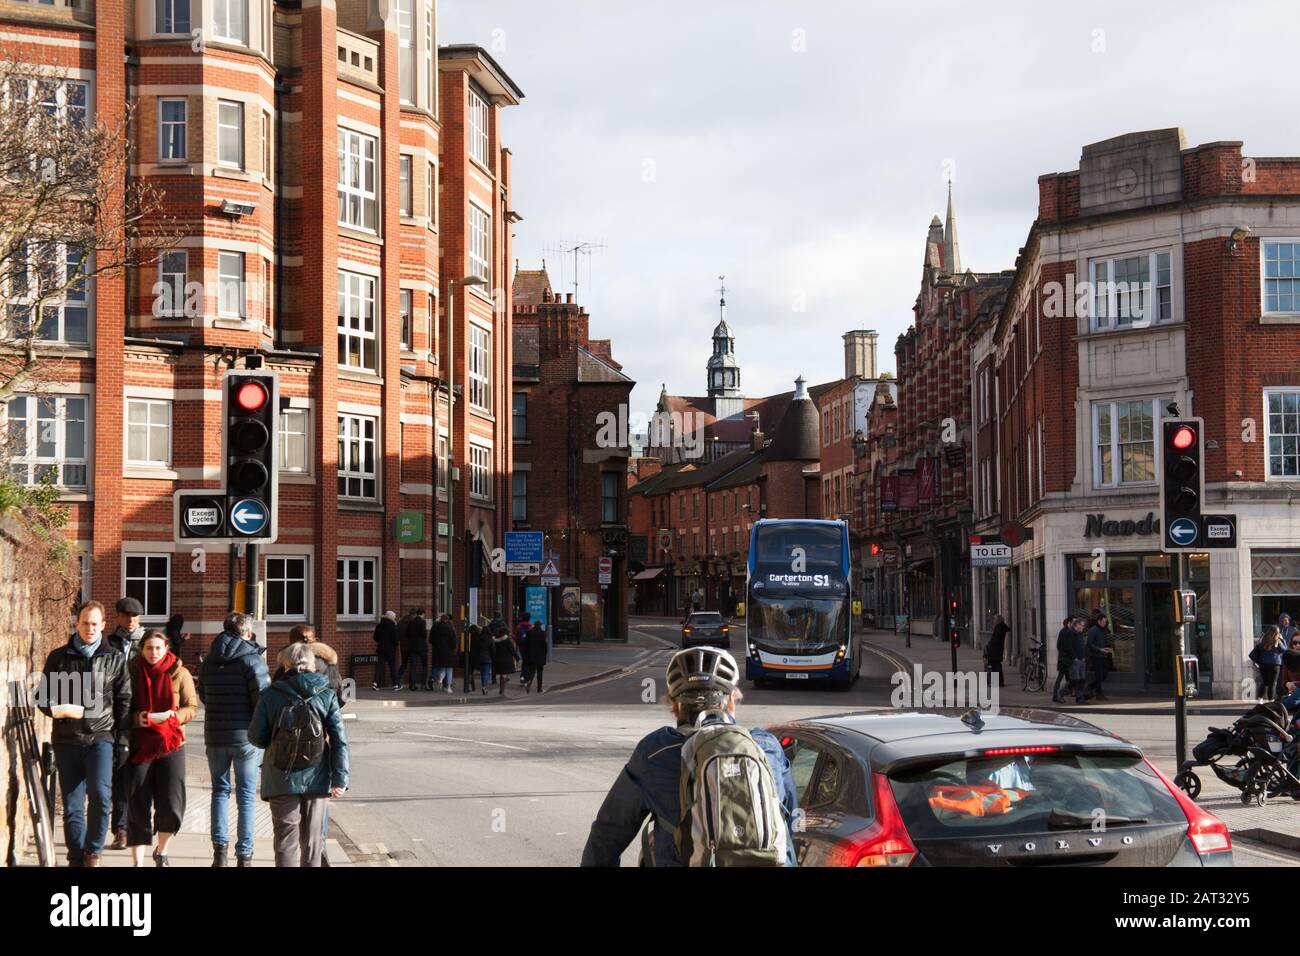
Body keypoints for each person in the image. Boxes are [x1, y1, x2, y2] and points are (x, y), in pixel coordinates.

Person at [580, 647, 797, 867]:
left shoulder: (656, 751)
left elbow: (607, 835)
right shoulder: (766, 746)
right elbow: (789, 823)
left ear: (675, 707)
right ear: (731, 700)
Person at [39, 601, 132, 867]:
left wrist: (123, 741)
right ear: (76, 624)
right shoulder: (59, 657)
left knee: (102, 797)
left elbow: (124, 701)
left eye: (94, 624)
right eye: (85, 623)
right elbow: (43, 698)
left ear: (103, 626)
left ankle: (93, 853)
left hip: (101, 738)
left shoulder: (114, 658)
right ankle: (76, 858)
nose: (89, 628)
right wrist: (59, 709)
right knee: (72, 805)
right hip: (67, 739)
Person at [248, 643, 349, 867]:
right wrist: (340, 778)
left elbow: (255, 737)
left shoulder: (270, 695)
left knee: (285, 841)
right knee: (312, 843)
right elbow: (340, 740)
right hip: (318, 777)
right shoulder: (327, 694)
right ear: (312, 665)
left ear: (286, 664)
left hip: (280, 777)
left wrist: (276, 741)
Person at [198, 611, 270, 867]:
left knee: (219, 792)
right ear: (248, 633)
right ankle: (245, 855)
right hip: (245, 736)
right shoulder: (252, 661)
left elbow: (204, 696)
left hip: (215, 734)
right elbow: (263, 701)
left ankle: (219, 854)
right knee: (246, 795)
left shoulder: (208, 661)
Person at [126, 630, 197, 867]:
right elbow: (122, 707)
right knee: (137, 801)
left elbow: (192, 707)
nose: (154, 653)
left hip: (172, 743)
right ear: (141, 649)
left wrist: (175, 717)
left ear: (166, 648)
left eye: (158, 648)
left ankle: (162, 851)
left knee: (171, 802)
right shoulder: (131, 672)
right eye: (149, 648)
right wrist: (140, 719)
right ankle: (137, 862)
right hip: (141, 744)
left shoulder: (180, 673)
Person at [106, 596, 146, 849]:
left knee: (141, 777)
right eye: (127, 616)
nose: (131, 621)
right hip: (115, 718)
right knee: (119, 775)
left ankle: (139, 826)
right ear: (117, 616)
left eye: (135, 616)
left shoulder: (149, 642)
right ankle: (120, 829)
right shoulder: (108, 643)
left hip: (143, 717)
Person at [1250, 626, 1285, 701]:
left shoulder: (1263, 639)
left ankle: (1260, 699)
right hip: (1274, 665)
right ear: (1277, 633)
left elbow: (1258, 648)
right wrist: (1283, 639)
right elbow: (1284, 649)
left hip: (1263, 664)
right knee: (1272, 684)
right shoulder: (1277, 641)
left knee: (1265, 682)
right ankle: (1270, 700)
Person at [1085, 614, 1114, 702]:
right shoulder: (1093, 630)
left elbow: (1102, 642)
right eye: (1104, 622)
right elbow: (1089, 644)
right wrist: (1099, 649)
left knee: (1104, 674)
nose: (1105, 623)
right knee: (1099, 675)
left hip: (1103, 655)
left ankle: (1090, 687)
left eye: (1106, 622)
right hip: (1095, 656)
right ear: (1099, 621)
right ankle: (1099, 694)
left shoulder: (1103, 630)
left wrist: (1106, 648)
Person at [398, 608, 427, 691]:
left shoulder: (411, 622)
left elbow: (407, 634)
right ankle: (423, 685)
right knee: (424, 665)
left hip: (412, 647)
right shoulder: (422, 622)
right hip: (421, 647)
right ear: (422, 614)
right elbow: (424, 634)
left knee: (413, 666)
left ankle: (413, 685)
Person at [429, 613, 458, 692]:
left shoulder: (435, 627)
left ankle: (440, 679)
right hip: (448, 652)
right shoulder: (450, 629)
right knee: (449, 670)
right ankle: (448, 687)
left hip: (437, 651)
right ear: (447, 620)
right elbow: (454, 643)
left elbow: (430, 640)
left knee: (441, 668)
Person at [373, 611, 400, 690]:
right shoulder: (393, 626)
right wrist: (395, 645)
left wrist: (381, 642)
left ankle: (375, 683)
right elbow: (396, 638)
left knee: (379, 666)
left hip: (381, 648)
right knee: (392, 667)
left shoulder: (379, 625)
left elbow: (375, 637)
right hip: (390, 649)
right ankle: (395, 684)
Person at [492, 624, 520, 696]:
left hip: (497, 660)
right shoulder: (507, 641)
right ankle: (502, 690)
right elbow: (512, 650)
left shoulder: (494, 641)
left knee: (501, 674)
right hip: (506, 660)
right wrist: (517, 658)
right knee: (504, 675)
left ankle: (501, 689)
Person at [522, 618, 549, 694]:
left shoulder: (529, 632)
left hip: (531, 656)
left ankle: (528, 684)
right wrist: (545, 654)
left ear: (534, 625)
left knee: (532, 672)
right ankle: (539, 689)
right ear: (540, 625)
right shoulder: (543, 633)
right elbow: (545, 645)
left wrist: (526, 655)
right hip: (540, 656)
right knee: (540, 673)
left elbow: (526, 645)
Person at [1051, 617, 1074, 703]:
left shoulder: (1062, 631)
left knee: (1064, 678)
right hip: (1066, 659)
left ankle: (1057, 695)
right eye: (1072, 622)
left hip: (1062, 658)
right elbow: (1069, 647)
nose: (1073, 624)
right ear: (1069, 623)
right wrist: (1073, 656)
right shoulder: (1069, 632)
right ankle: (1059, 695)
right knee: (1070, 679)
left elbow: (1058, 645)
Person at [983, 615, 1008, 687]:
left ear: (998, 620)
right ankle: (1000, 681)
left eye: (994, 619)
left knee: (994, 665)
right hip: (998, 649)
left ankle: (995, 682)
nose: (993, 620)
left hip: (995, 649)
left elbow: (996, 639)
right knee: (997, 665)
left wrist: (989, 644)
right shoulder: (1002, 627)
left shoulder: (998, 628)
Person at [471, 623, 494, 696]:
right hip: (487, 659)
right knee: (486, 674)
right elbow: (493, 650)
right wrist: (492, 657)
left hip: (479, 658)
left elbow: (476, 648)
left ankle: (484, 686)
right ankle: (484, 687)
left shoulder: (478, 639)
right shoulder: (490, 640)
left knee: (482, 674)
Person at [514, 613, 532, 688]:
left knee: (525, 661)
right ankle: (525, 678)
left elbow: (515, 636)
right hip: (529, 647)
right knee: (527, 662)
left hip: (521, 647)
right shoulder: (530, 627)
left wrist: (518, 643)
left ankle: (523, 677)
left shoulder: (518, 626)